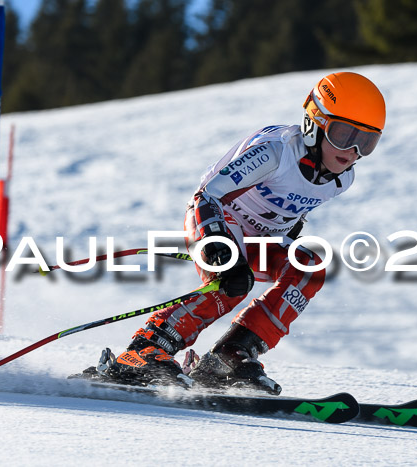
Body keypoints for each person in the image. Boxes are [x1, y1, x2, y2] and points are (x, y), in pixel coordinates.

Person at [96, 71, 386, 394]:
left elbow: (292, 214)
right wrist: (215, 240)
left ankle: (229, 357)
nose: (352, 151)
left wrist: (288, 246)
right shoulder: (276, 152)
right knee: (234, 282)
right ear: (315, 122)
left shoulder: (340, 180)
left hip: (258, 240)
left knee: (310, 268)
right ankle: (144, 348)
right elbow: (207, 196)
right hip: (213, 218)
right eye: (344, 135)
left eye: (367, 142)